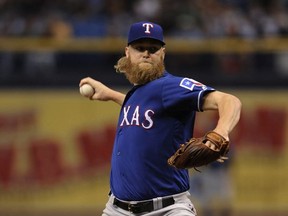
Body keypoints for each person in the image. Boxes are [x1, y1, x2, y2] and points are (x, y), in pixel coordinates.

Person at [79, 21, 241, 216]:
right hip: (116, 209)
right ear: (127, 52)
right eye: (140, 48)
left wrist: (220, 131)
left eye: (153, 49)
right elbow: (149, 110)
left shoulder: (171, 86)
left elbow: (229, 101)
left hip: (168, 209)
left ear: (162, 53)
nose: (146, 53)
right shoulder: (138, 92)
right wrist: (112, 95)